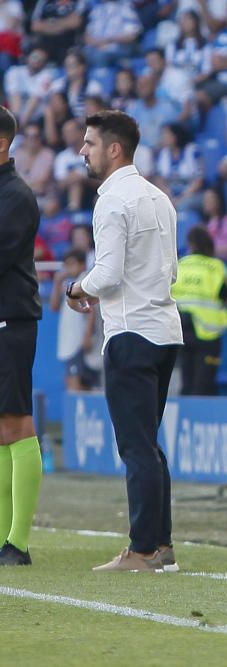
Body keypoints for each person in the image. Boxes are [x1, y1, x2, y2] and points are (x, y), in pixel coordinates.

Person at [67, 110, 183, 572]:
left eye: (89, 143)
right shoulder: (160, 197)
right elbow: (171, 269)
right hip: (164, 330)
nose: (82, 150)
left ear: (114, 149)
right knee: (149, 444)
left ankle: (142, 550)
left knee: (135, 446)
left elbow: (109, 274)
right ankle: (162, 546)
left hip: (131, 331)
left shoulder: (112, 201)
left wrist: (76, 287)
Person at [0, 105, 43, 567]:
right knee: (0, 430)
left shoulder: (15, 196)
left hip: (11, 320)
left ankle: (18, 543)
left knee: (16, 423)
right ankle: (3, 539)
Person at [172, 226, 227, 396]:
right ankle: (202, 421)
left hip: (182, 331)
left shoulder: (181, 265)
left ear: (190, 244)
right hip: (208, 334)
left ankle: (186, 420)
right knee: (204, 385)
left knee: (187, 381)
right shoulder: (216, 267)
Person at [49, 248, 101, 390]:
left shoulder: (84, 281)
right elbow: (53, 307)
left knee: (78, 383)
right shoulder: (67, 283)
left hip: (80, 341)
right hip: (69, 341)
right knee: (72, 380)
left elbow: (91, 311)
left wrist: (87, 335)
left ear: (82, 264)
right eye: (66, 265)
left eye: (72, 264)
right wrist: (56, 282)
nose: (68, 269)